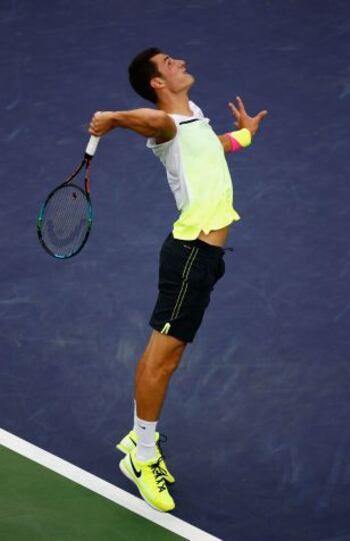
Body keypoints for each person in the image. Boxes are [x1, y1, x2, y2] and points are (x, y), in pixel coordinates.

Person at [88, 47, 267, 512]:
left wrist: (245, 136)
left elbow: (215, 148)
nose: (179, 62)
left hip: (203, 259)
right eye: (168, 63)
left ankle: (140, 442)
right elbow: (148, 121)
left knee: (170, 352)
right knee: (162, 359)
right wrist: (113, 118)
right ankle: (141, 454)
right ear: (157, 83)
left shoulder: (195, 118)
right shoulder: (165, 123)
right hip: (189, 257)